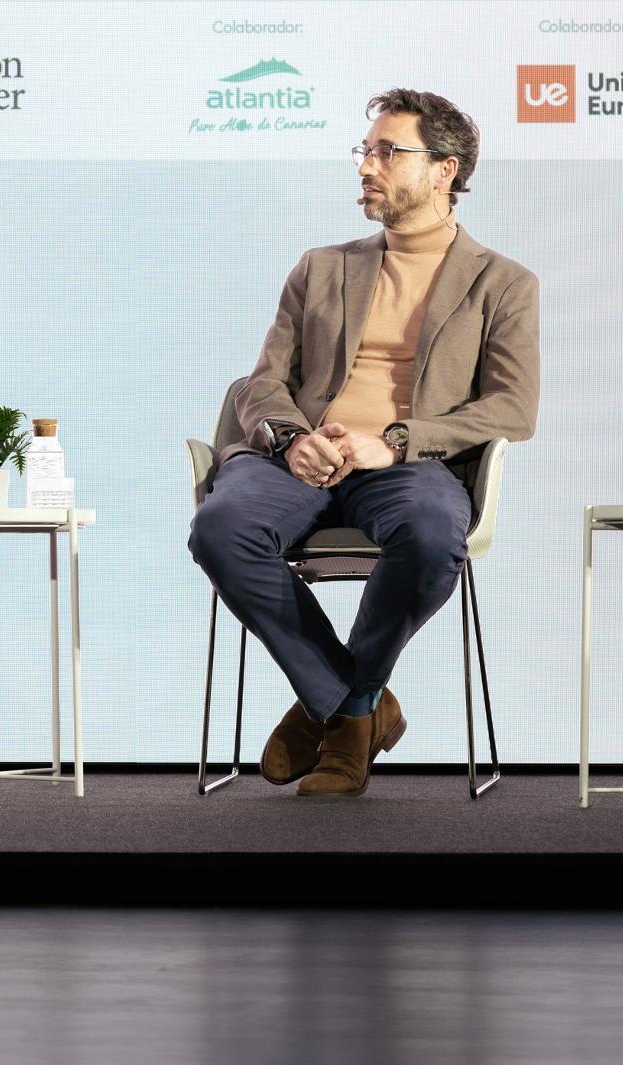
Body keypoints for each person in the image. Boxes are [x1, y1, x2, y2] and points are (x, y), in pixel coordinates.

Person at [187, 89, 539, 798]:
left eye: (387, 151)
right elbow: (263, 382)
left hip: (407, 467)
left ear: (444, 169)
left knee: (434, 531)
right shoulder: (321, 266)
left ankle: (339, 709)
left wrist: (399, 440)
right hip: (298, 458)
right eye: (365, 150)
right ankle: (355, 706)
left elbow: (512, 406)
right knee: (220, 528)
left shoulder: (503, 283)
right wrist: (290, 439)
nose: (366, 166)